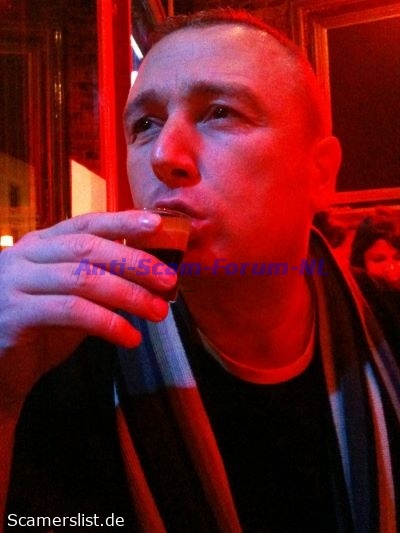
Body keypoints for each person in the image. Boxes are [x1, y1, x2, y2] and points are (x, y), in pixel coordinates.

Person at [1, 8, 399, 532]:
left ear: (320, 173)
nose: (164, 154)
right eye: (145, 125)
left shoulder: (391, 328)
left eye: (219, 112)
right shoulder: (60, 354)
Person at [349, 209, 400, 360]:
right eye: (379, 260)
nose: (391, 267)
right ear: (361, 263)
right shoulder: (362, 304)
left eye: (397, 258)